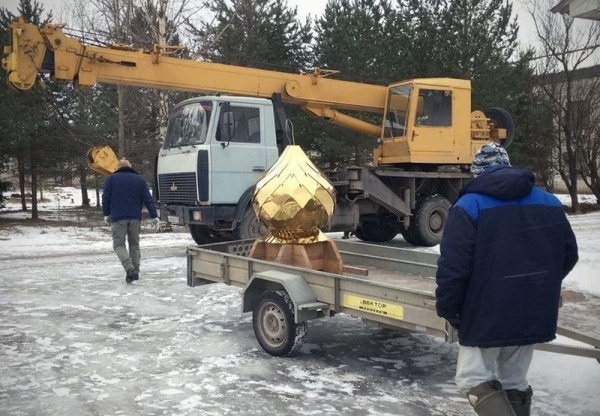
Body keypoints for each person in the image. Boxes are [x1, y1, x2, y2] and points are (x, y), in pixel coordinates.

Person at [435, 143, 578, 416]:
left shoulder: (468, 205)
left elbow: (454, 267)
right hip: (535, 306)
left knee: (472, 379)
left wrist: (448, 308)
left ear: (476, 173)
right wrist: (541, 285)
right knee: (514, 380)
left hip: (487, 309)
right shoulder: (549, 202)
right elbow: (568, 254)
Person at [102, 158, 160, 283]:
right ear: (130, 167)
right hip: (135, 217)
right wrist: (154, 216)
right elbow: (147, 199)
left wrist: (106, 214)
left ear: (118, 168)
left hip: (118, 218)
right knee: (134, 244)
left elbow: (106, 198)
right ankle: (135, 272)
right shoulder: (139, 179)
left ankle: (129, 268)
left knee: (119, 244)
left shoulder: (110, 179)